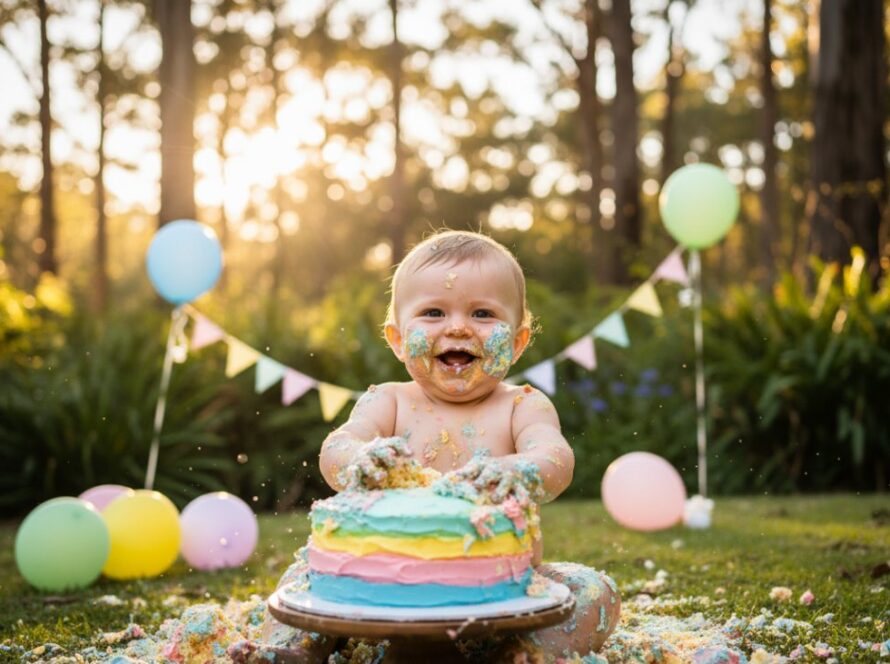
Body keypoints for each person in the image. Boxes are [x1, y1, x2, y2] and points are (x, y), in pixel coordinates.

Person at [248, 230, 620, 663]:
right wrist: (360, 460)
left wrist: (519, 471)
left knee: (595, 590)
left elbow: (555, 457)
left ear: (518, 342)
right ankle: (294, 651)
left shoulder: (522, 405)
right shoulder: (387, 400)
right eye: (433, 312)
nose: (458, 326)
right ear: (398, 338)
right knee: (305, 575)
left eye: (482, 313)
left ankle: (522, 654)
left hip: (501, 592)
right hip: (379, 589)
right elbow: (338, 446)